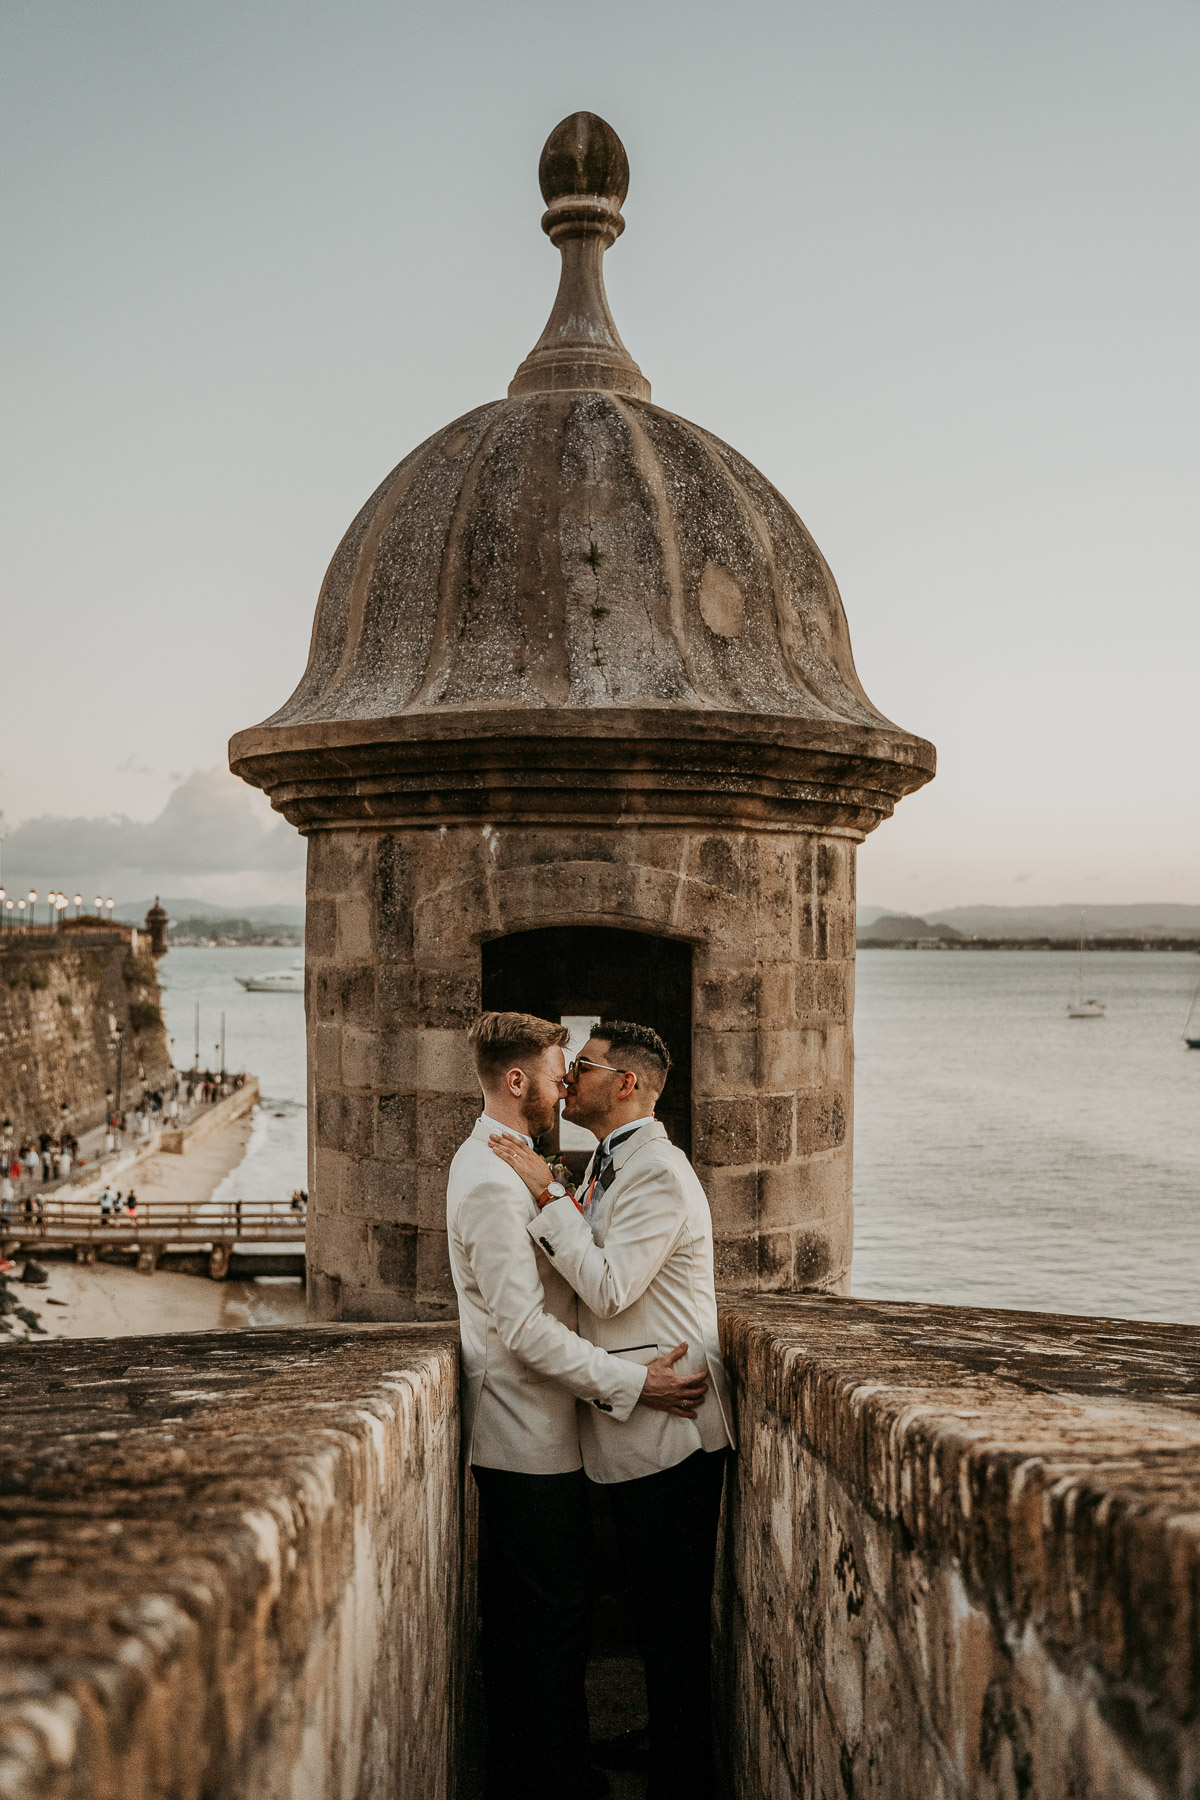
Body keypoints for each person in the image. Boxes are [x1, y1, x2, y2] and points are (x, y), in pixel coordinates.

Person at [448, 1010, 708, 1800]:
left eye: (582, 1067)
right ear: (519, 1080)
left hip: (612, 1433)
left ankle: (577, 1774)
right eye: (563, 1070)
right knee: (544, 1628)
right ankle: (554, 1780)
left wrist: (552, 1187)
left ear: (624, 1083)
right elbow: (525, 1326)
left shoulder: (592, 1168)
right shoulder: (496, 1179)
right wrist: (634, 1384)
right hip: (529, 1432)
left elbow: (604, 1281)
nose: (569, 1083)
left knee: (569, 1627)